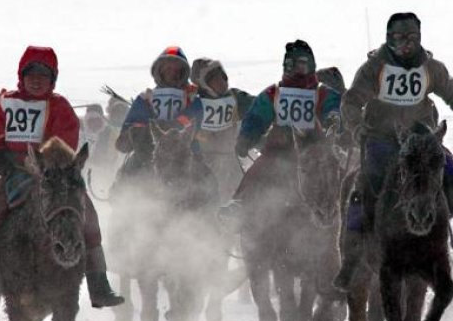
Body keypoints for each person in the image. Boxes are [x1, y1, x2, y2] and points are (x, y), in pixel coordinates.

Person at [335, 12, 453, 289]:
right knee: (363, 189)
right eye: (400, 38)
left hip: (423, 140)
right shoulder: (374, 68)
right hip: (383, 141)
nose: (406, 44)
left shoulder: (431, 68)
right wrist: (356, 128)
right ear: (389, 39)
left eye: (412, 37)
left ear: (420, 38)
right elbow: (351, 101)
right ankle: (350, 262)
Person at [0, 45, 124, 308]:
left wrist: (46, 161)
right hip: (14, 175)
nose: (36, 80)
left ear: (52, 79)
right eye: (30, 74)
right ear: (21, 76)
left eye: (43, 76)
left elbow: (65, 139)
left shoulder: (59, 106)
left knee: (89, 217)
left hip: (55, 177)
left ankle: (98, 283)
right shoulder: (7, 103)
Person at [225, 40, 341, 213]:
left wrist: (334, 119)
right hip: (278, 150)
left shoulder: (322, 92)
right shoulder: (275, 92)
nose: (295, 70)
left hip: (317, 149)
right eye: (290, 65)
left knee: (339, 171)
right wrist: (247, 136)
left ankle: (346, 210)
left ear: (310, 65)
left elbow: (335, 108)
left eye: (300, 65)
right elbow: (258, 115)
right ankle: (239, 204)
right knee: (260, 168)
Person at [115, 46, 198, 173]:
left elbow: (197, 117)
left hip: (186, 153)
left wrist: (175, 125)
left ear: (183, 72)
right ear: (160, 70)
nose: (172, 72)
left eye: (176, 69)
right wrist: (135, 133)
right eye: (168, 68)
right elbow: (128, 132)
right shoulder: (145, 98)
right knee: (126, 176)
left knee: (207, 177)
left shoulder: (192, 98)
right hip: (148, 153)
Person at [187, 57, 255, 201]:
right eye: (213, 79)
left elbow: (258, 107)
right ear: (203, 84)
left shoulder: (236, 97)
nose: (220, 81)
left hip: (231, 162)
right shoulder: (194, 103)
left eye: (221, 76)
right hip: (202, 164)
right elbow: (178, 127)